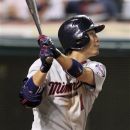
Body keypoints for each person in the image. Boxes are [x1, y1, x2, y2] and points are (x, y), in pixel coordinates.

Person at [19, 15, 106, 130]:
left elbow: (80, 73)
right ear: (79, 38)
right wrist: (44, 68)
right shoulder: (41, 64)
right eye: (92, 34)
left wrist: (55, 52)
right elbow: (28, 99)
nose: (97, 39)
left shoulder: (97, 68)